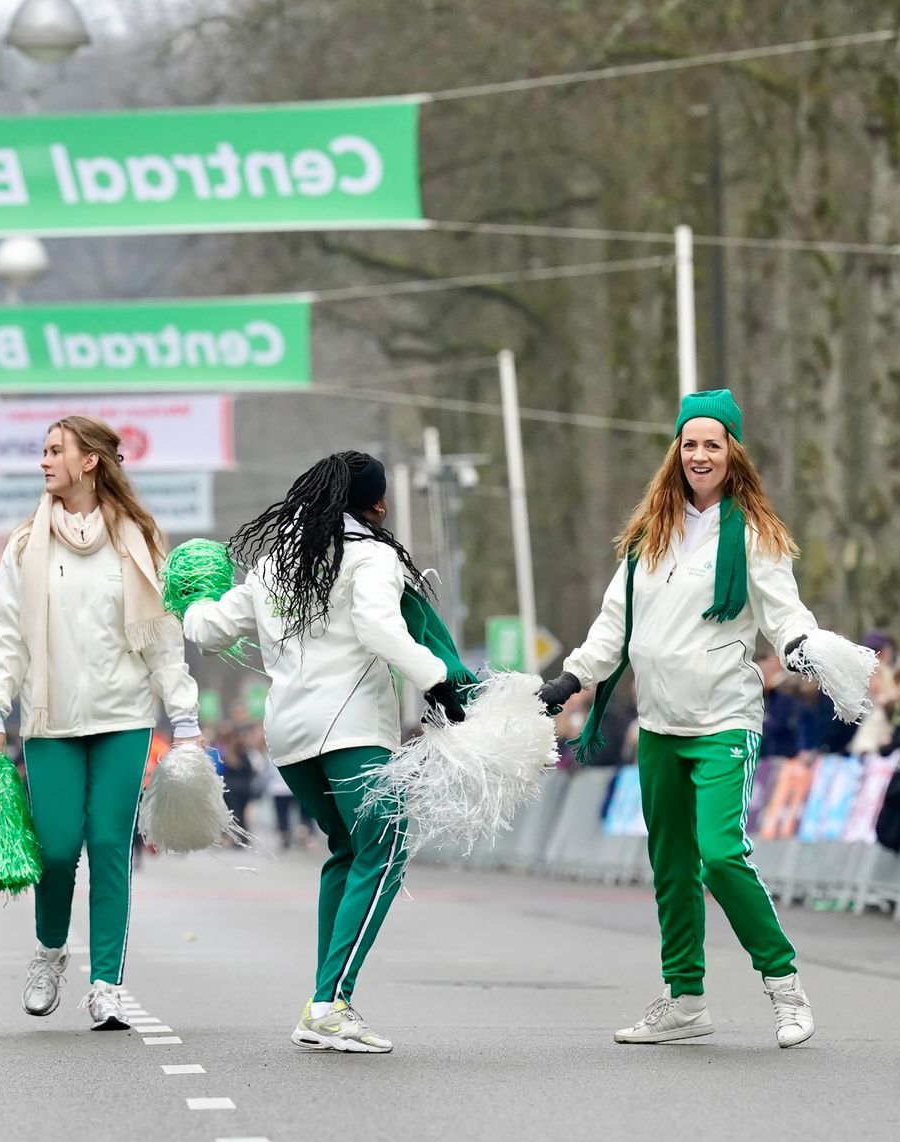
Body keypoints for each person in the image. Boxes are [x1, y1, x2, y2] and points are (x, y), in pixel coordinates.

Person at [537, 388, 833, 1050]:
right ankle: (685, 1000)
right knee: (670, 866)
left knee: (720, 856)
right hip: (660, 723)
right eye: (690, 443)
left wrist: (804, 646)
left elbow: (785, 613)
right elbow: (614, 626)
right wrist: (571, 680)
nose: (701, 455)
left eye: (713, 444)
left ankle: (784, 986)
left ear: (733, 453)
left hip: (724, 716)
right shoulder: (648, 536)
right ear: (677, 451)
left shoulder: (755, 536)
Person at [184, 451, 468, 1054]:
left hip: (288, 739)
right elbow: (379, 629)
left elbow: (208, 631)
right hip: (351, 730)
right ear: (378, 504)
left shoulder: (275, 563)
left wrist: (190, 594)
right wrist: (437, 678)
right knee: (385, 850)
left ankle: (323, 1001)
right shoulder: (373, 556)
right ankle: (330, 1004)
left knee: (347, 850)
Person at [0, 415, 203, 1031]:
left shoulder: (137, 538)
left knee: (108, 846)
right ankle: (50, 953)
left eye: (56, 450)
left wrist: (183, 715)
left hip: (124, 717)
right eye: (44, 451)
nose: (45, 461)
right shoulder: (25, 544)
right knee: (55, 849)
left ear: (90, 461)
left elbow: (162, 635)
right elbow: (8, 635)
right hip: (49, 720)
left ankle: (106, 985)